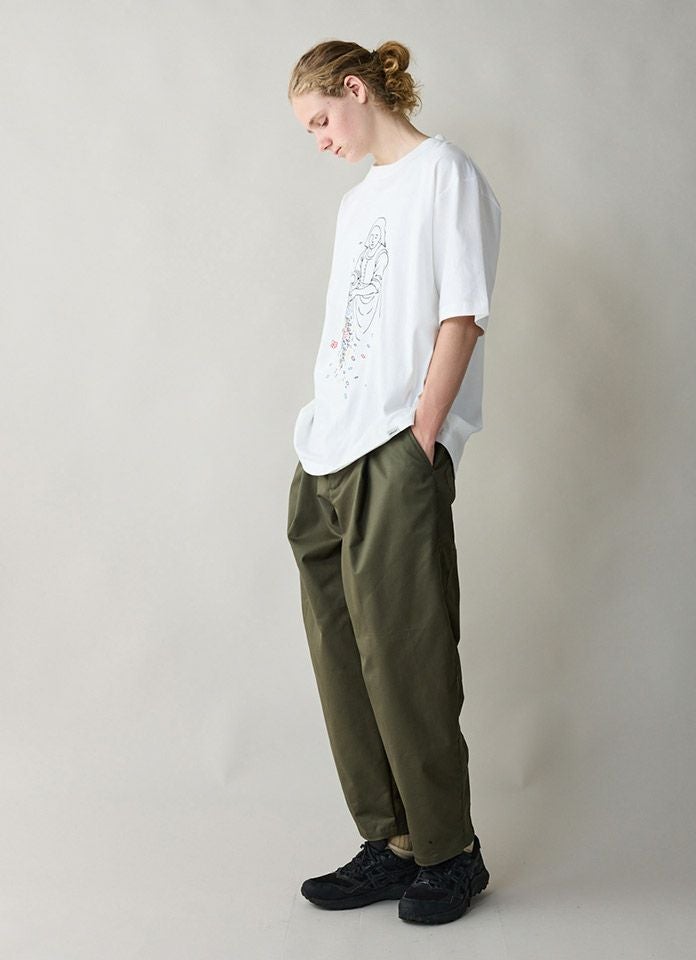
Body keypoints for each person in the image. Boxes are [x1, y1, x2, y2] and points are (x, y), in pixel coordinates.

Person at [285, 39, 501, 925]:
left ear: (355, 88)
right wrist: (317, 431)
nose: (319, 140)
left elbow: (462, 312)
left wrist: (422, 438)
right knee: (343, 661)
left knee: (408, 655)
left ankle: (451, 853)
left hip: (392, 450)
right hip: (326, 453)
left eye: (320, 121)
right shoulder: (357, 202)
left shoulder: (445, 174)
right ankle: (394, 841)